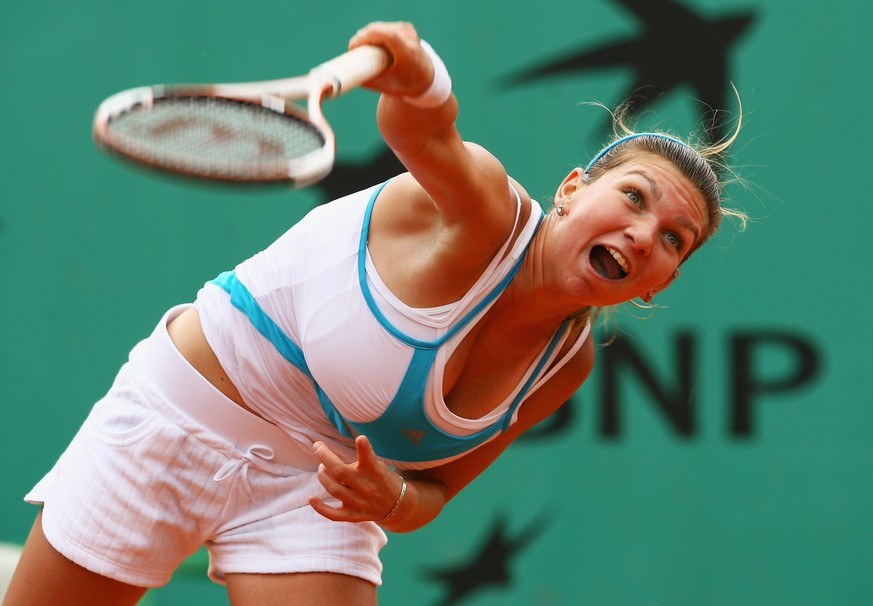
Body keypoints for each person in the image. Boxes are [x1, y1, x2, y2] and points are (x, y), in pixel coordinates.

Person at [3, 20, 745, 606]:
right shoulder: (483, 210)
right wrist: (421, 79)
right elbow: (422, 131)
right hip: (178, 419)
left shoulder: (566, 361)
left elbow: (435, 494)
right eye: (633, 198)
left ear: (658, 282)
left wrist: (390, 496)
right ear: (572, 188)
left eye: (671, 240)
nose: (642, 234)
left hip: (313, 491)